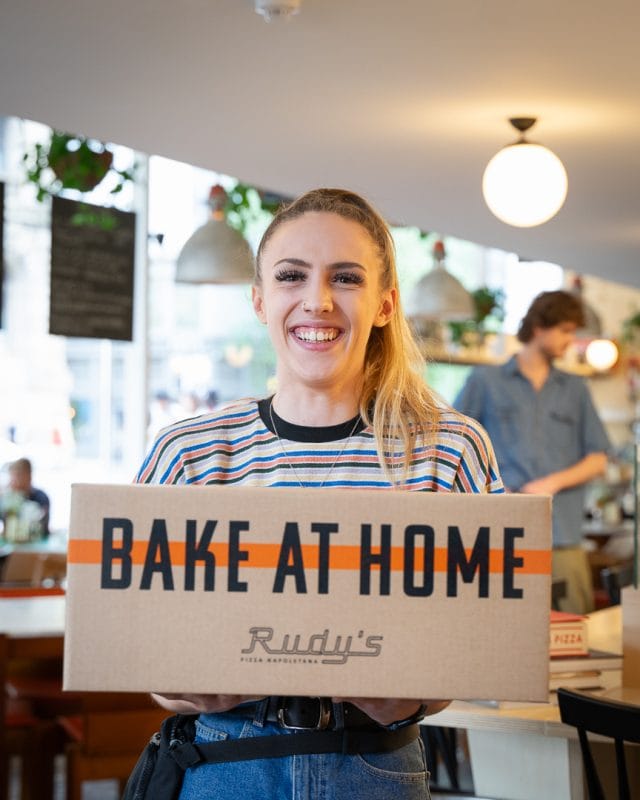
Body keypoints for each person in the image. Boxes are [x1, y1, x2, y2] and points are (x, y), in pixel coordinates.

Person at [135, 188, 504, 800]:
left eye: (347, 278)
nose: (318, 300)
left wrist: (416, 691)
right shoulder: (188, 450)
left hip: (376, 765)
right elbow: (145, 650)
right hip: (225, 762)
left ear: (385, 304)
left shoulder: (451, 449)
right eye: (291, 276)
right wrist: (182, 685)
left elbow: (480, 641)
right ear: (260, 300)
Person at [454, 290, 611, 615]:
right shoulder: (485, 381)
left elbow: (598, 457)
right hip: (501, 535)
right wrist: (493, 488)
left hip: (563, 536)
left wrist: (551, 483)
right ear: (540, 327)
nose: (571, 340)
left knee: (575, 633)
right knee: (501, 629)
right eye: (566, 330)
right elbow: (454, 445)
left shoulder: (576, 388)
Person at [1, 457, 51, 539]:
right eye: (12, 476)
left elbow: (42, 527)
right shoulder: (8, 498)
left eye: (18, 475)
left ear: (29, 476)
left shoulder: (41, 497)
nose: (14, 480)